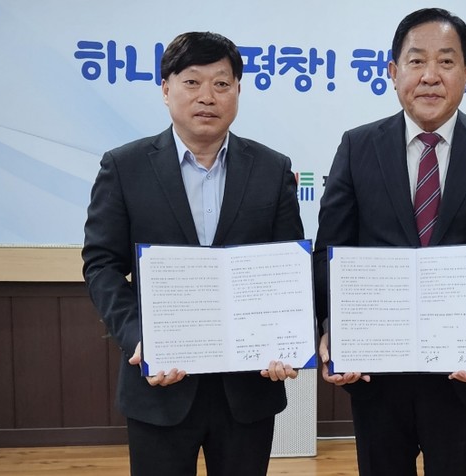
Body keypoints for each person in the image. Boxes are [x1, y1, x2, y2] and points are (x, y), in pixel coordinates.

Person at [313, 8, 466, 476]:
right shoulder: (358, 147)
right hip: (375, 372)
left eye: (446, 61)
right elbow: (330, 253)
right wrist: (332, 326)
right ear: (393, 72)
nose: (430, 76)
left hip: (463, 375)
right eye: (416, 61)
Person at [82, 31, 304, 476]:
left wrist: (286, 339)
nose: (207, 96)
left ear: (238, 90)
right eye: (192, 82)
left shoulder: (272, 169)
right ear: (166, 89)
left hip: (248, 387)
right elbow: (102, 264)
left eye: (221, 83)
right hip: (160, 384)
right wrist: (138, 337)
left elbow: (286, 267)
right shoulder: (124, 167)